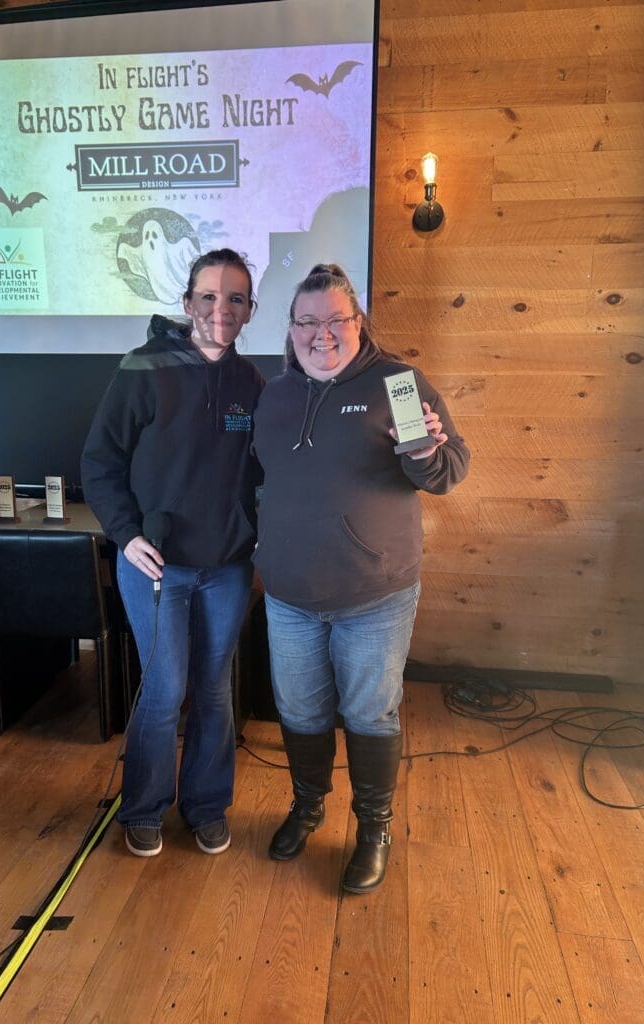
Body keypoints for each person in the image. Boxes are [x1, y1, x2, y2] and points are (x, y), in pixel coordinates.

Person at [252, 264, 469, 894]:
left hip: (374, 594)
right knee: (298, 708)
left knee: (370, 714)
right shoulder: (275, 395)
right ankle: (307, 807)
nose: (323, 334)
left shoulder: (397, 385)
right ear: (292, 329)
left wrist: (426, 452)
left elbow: (446, 468)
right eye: (308, 322)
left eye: (336, 320)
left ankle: (374, 829)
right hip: (289, 595)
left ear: (358, 322)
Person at [81, 248, 264, 859]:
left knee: (214, 690)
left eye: (235, 298)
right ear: (187, 304)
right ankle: (143, 807)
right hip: (154, 566)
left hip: (227, 569)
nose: (221, 308)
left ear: (249, 311)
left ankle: (207, 805)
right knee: (163, 689)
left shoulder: (253, 384)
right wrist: (126, 534)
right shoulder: (142, 368)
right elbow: (100, 463)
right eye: (209, 296)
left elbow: (267, 475)